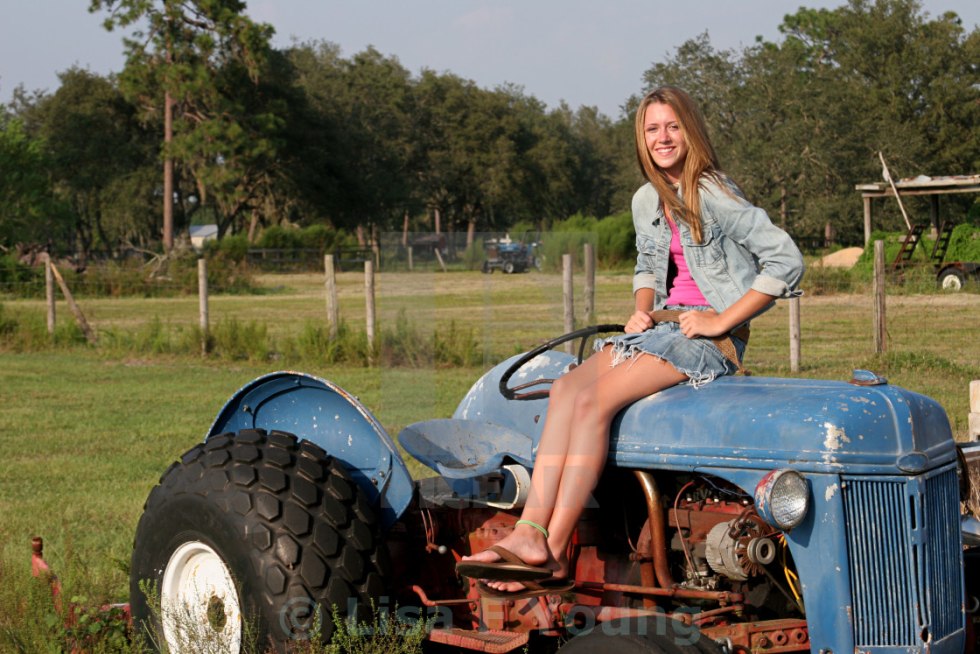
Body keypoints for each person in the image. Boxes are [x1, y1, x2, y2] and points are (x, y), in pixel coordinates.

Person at [456, 86, 804, 597]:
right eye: (652, 129)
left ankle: (552, 545)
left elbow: (786, 261)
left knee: (594, 402)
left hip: (704, 342)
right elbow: (648, 265)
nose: (662, 138)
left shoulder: (712, 192)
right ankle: (530, 532)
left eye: (672, 127)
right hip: (661, 329)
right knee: (566, 390)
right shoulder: (647, 199)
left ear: (691, 131)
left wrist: (720, 320)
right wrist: (642, 309)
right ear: (641, 139)